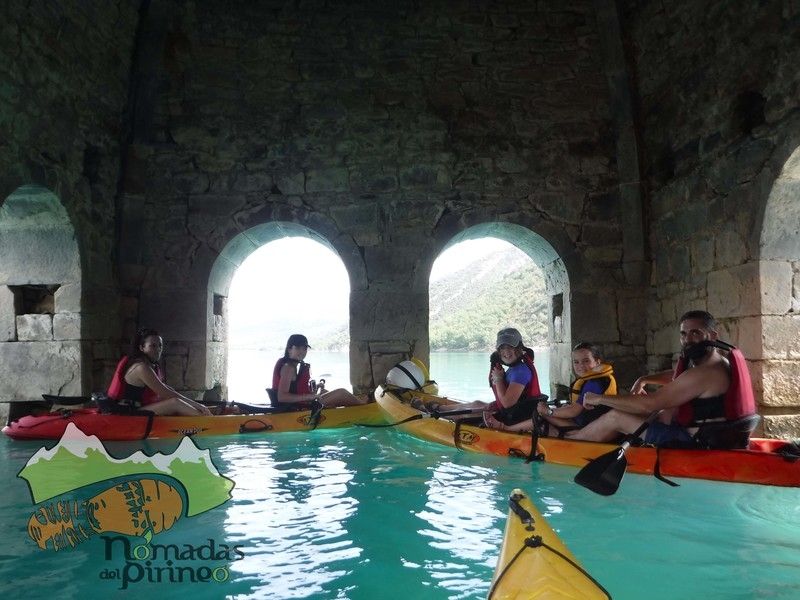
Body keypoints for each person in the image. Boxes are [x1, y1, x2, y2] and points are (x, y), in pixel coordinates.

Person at [570, 310, 756, 445]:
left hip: (693, 442)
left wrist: (598, 398)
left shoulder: (704, 373)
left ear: (712, 335)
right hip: (712, 436)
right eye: (683, 334)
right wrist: (644, 379)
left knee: (616, 416)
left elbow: (649, 404)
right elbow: (680, 378)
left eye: (695, 333)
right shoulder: (719, 362)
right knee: (641, 413)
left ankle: (572, 442)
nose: (688, 339)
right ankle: (585, 435)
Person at [485, 342, 617, 435]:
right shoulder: (592, 380)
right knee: (551, 411)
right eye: (576, 362)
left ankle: (506, 429)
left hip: (586, 428)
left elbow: (574, 411)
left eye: (586, 361)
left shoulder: (594, 383)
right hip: (585, 422)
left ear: (597, 362)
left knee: (539, 415)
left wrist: (548, 411)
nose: (580, 366)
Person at [107, 328, 212, 416]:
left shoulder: (148, 364)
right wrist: (197, 405)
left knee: (174, 401)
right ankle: (208, 421)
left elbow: (166, 389)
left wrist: (194, 405)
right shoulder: (141, 367)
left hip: (138, 408)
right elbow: (166, 393)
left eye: (160, 345)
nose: (158, 349)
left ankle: (205, 416)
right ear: (142, 348)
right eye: (153, 346)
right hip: (127, 412)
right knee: (175, 403)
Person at [272, 334, 367, 409]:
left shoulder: (289, 364)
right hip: (297, 407)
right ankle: (364, 406)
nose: (302, 351)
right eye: (297, 348)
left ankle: (355, 402)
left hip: (298, 404)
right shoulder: (288, 368)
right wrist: (308, 397)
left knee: (323, 391)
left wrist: (315, 387)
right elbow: (282, 397)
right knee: (342, 392)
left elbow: (294, 388)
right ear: (289, 349)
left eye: (304, 348)